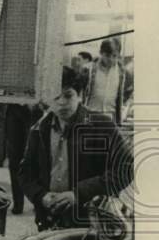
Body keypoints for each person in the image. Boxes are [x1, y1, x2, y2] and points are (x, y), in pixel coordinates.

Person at [19, 66, 134, 231]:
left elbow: (126, 168)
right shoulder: (39, 129)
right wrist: (41, 196)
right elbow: (25, 173)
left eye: (68, 95)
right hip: (50, 221)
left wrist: (79, 194)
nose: (62, 102)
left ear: (80, 95)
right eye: (55, 96)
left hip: (92, 222)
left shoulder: (100, 125)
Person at [84, 39, 130, 125]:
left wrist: (119, 120)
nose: (111, 59)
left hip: (110, 115)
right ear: (101, 53)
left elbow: (120, 96)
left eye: (114, 56)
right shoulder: (90, 69)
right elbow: (83, 94)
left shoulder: (121, 71)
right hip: (91, 113)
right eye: (108, 55)